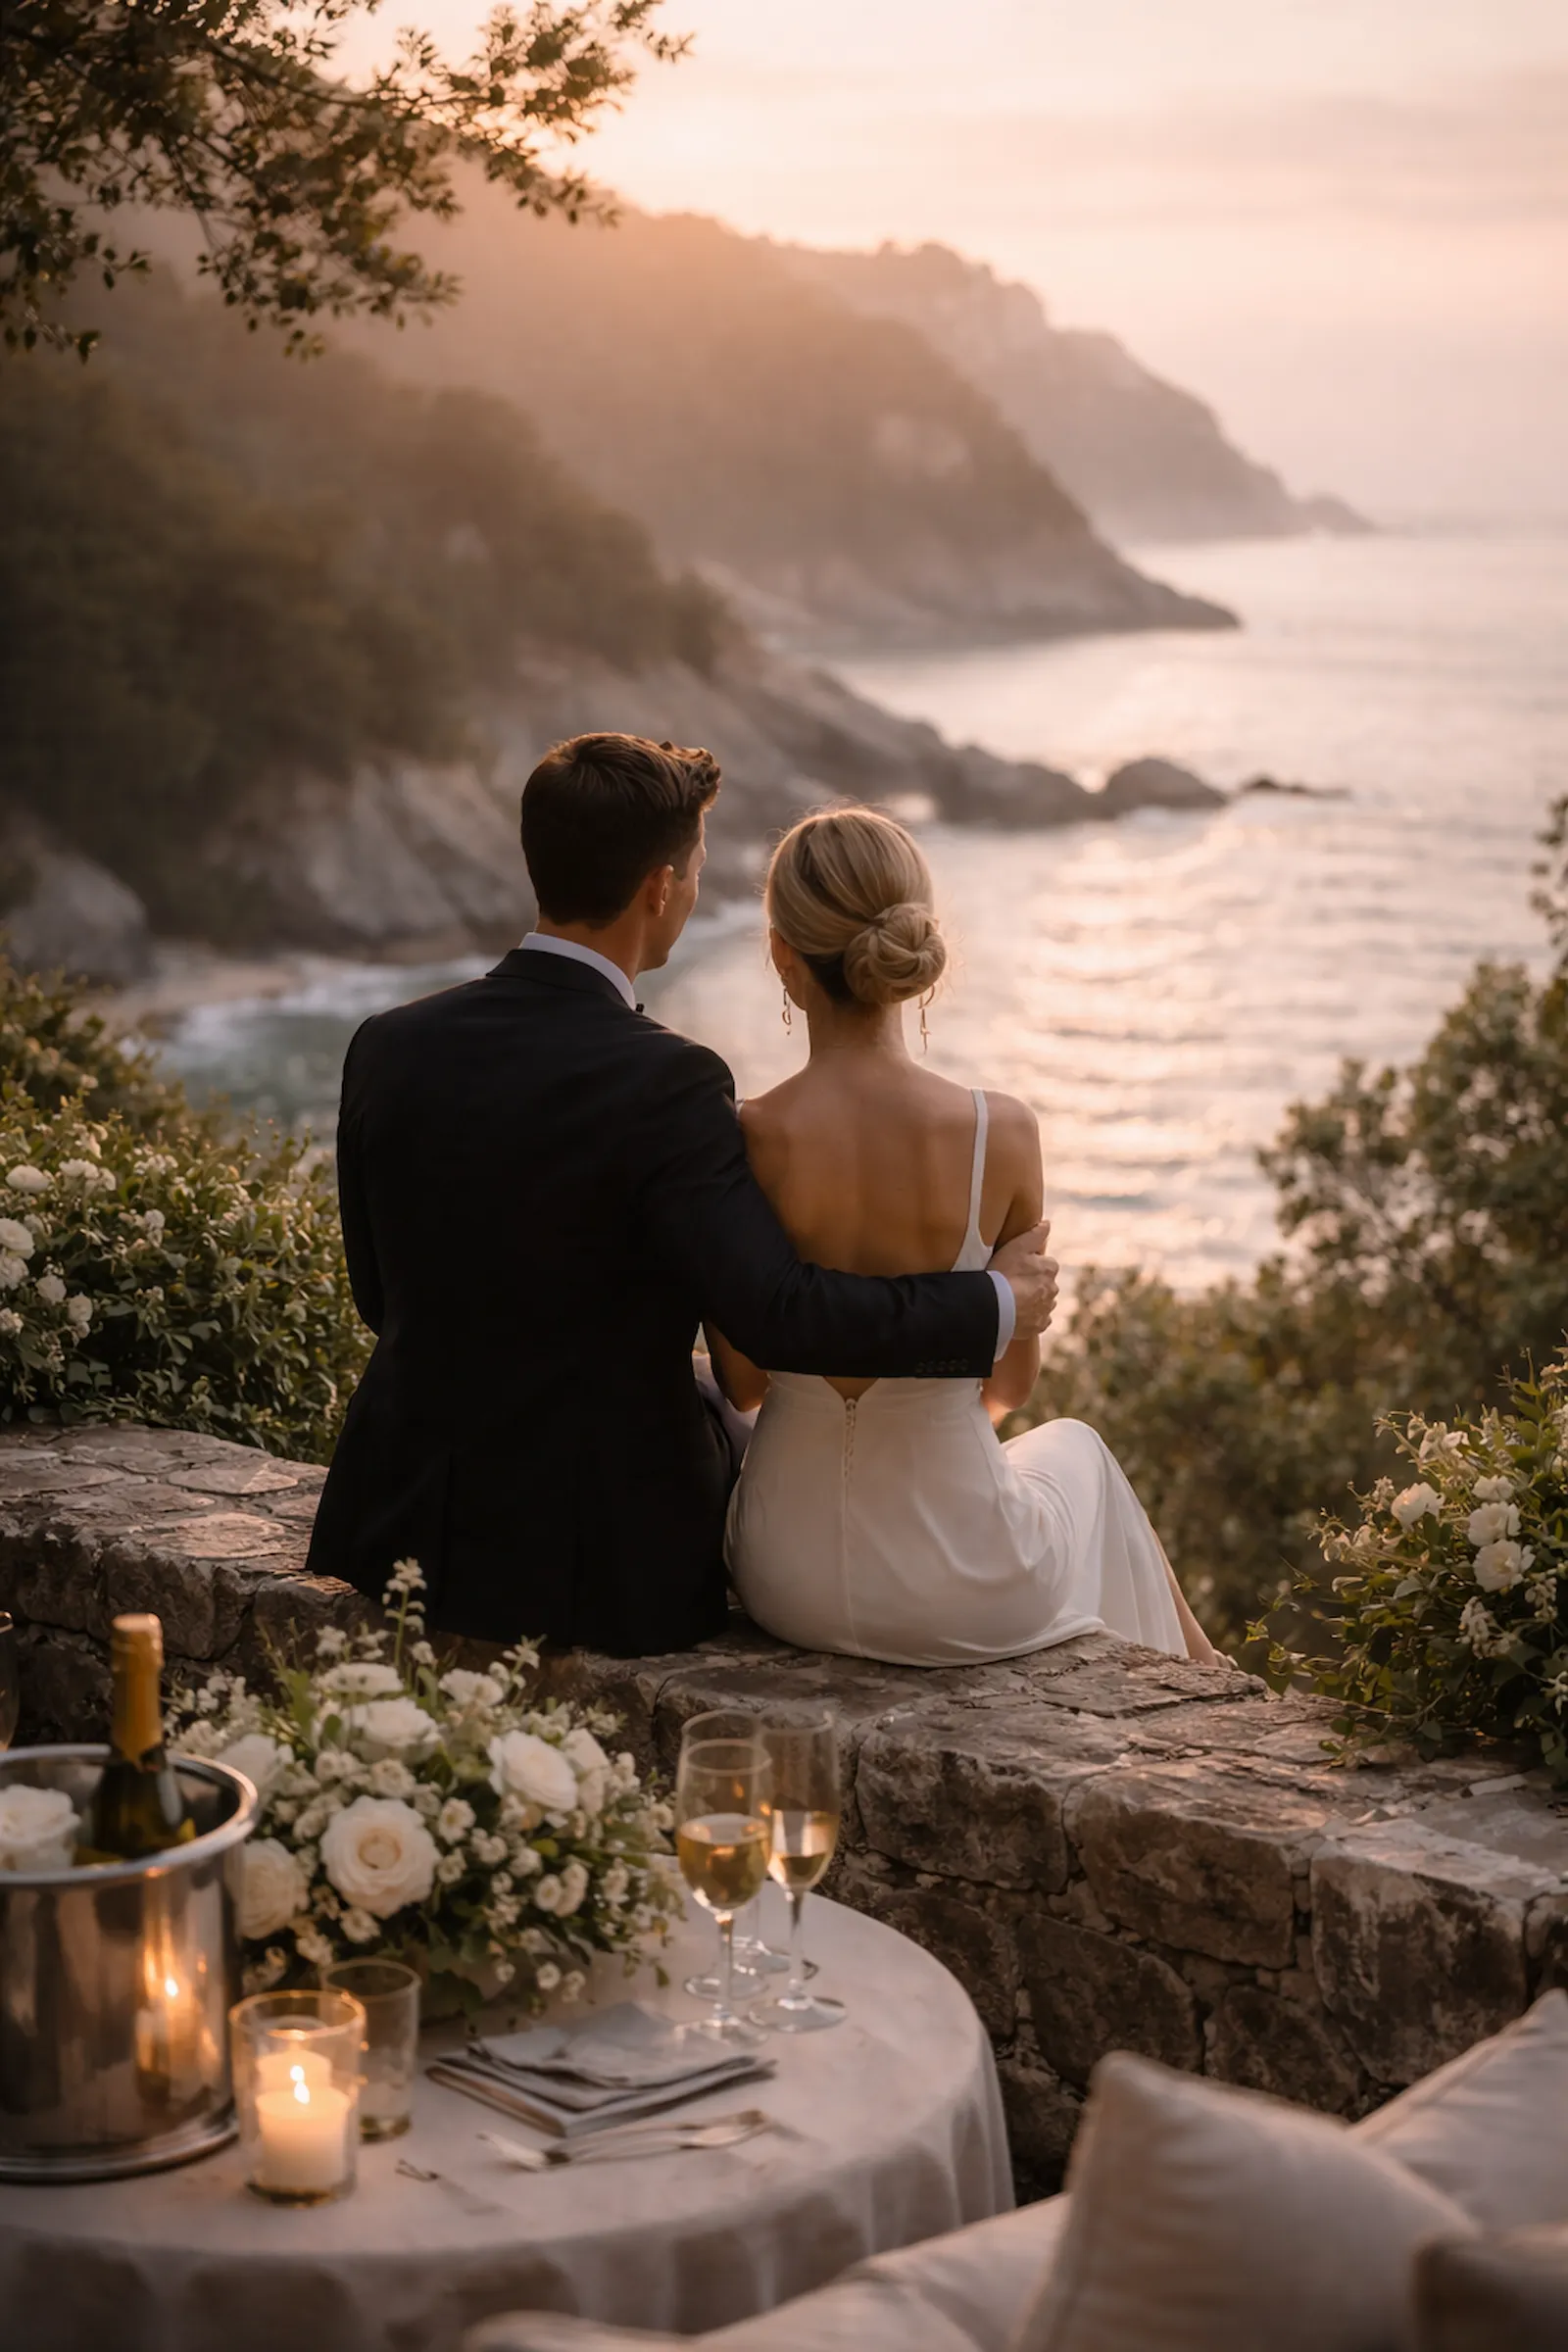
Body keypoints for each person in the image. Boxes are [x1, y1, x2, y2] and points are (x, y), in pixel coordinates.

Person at [306, 735, 1059, 1656]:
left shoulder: (388, 1043)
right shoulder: (669, 1080)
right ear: (660, 888)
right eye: (696, 872)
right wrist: (997, 1299)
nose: (694, 892)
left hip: (402, 1525)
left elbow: (380, 1297)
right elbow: (780, 1313)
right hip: (594, 1559)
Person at [713, 808, 1220, 1668]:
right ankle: (1213, 1684)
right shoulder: (1001, 1132)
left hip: (782, 1572)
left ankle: (1213, 1678)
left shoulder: (742, 1138)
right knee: (1082, 1453)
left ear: (780, 956)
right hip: (957, 1582)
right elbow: (1011, 1386)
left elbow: (744, 1383)